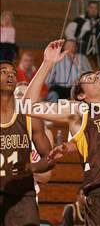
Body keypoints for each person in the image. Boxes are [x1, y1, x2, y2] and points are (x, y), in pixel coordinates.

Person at [21, 40, 100, 226]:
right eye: (89, 78)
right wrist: (47, 63)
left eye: (97, 75)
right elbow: (27, 106)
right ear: (82, 95)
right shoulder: (80, 111)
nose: (97, 77)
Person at [0, 60, 54, 226]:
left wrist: (33, 167)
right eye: (3, 71)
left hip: (23, 196)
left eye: (14, 73)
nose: (10, 74)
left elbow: (49, 158)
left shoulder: (30, 117)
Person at [14, 81, 54, 200]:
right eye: (20, 94)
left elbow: (46, 176)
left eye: (29, 94)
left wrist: (26, 168)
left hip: (28, 195)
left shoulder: (45, 133)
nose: (25, 98)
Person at [65, 0, 100, 68]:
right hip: (84, 43)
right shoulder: (80, 19)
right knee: (78, 46)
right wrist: (74, 39)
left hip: (99, 44)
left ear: (98, 9)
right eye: (91, 8)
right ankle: (78, 68)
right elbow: (69, 32)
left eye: (95, 8)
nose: (93, 10)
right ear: (88, 8)